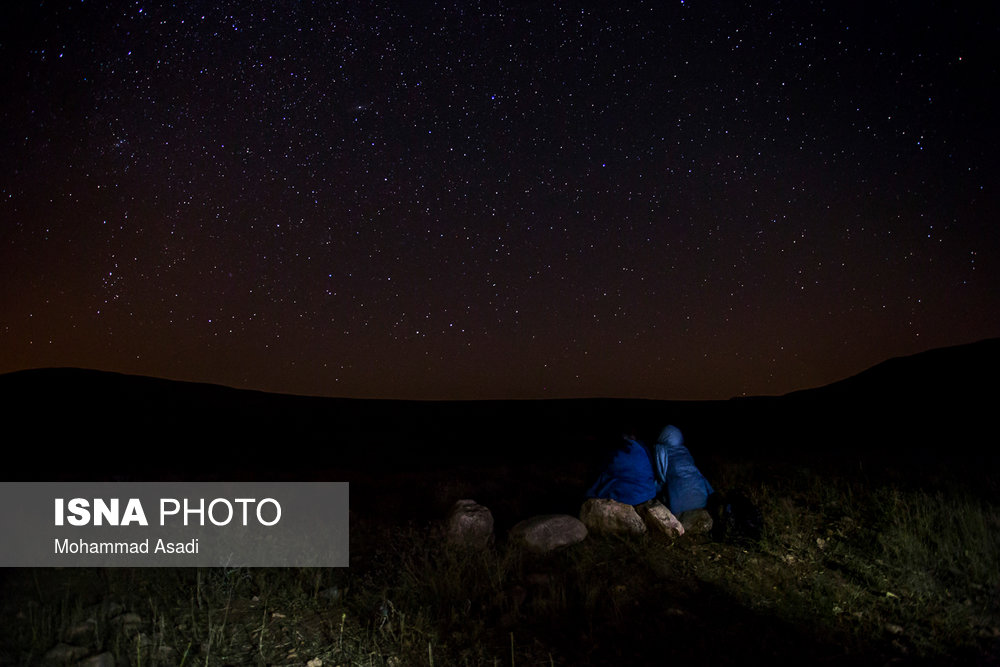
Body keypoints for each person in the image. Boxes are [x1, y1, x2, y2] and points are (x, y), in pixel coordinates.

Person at [656, 424, 714, 515]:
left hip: (679, 506)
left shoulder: (661, 453)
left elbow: (660, 481)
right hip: (702, 501)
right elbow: (697, 474)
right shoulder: (685, 452)